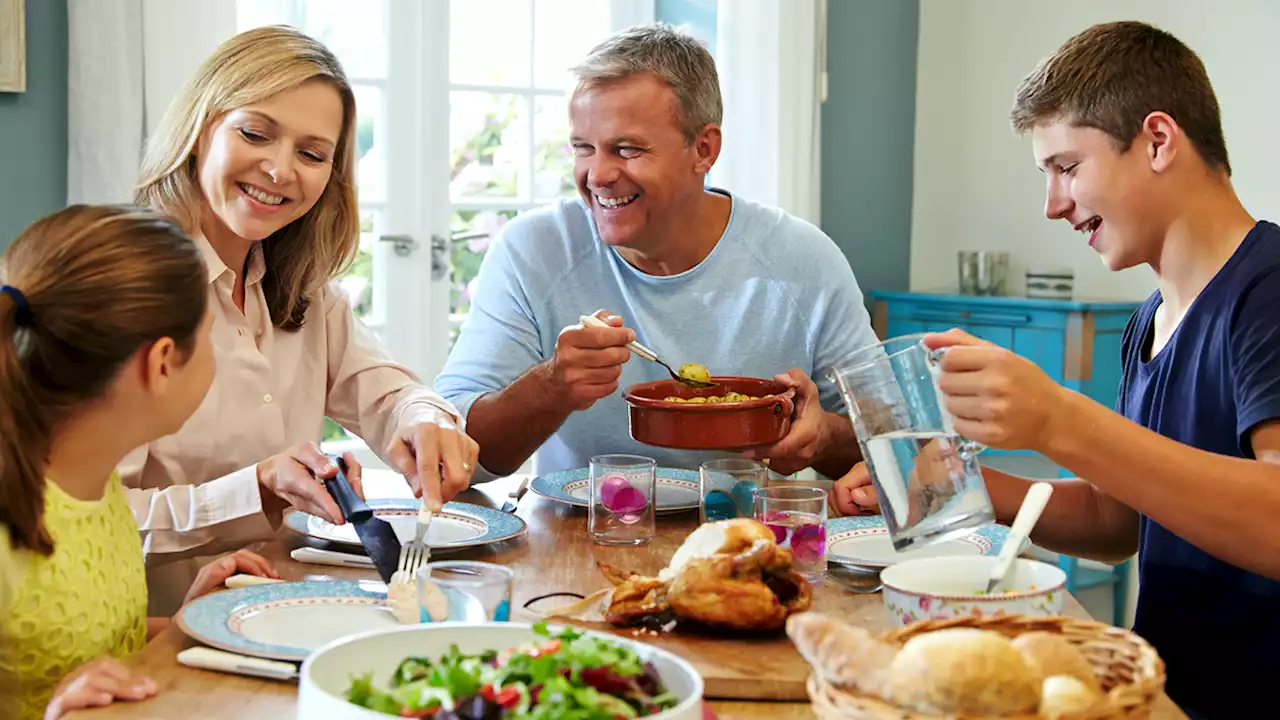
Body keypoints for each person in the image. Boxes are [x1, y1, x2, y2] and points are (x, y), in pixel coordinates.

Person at [831, 21, 1280, 717]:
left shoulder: (1269, 291)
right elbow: (1118, 522)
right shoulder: (1150, 320)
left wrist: (1058, 419)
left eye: (1067, 167)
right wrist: (957, 482)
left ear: (1158, 140)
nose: (1053, 205)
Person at [128, 25, 478, 614]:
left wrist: (423, 418)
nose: (279, 169)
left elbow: (389, 392)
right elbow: (81, 524)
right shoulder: (127, 294)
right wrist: (256, 488)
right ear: (199, 128)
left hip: (285, 616)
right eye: (255, 133)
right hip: (154, 648)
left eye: (312, 154)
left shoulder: (305, 292)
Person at [436, 24, 878, 481]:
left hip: (749, 542)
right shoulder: (534, 249)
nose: (597, 175)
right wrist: (552, 387)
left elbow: (900, 444)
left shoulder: (803, 261)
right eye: (583, 148)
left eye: (627, 149)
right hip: (579, 541)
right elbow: (453, 451)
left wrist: (823, 436)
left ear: (703, 149)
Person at [0, 205, 279, 720]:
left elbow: (83, 651)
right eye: (210, 336)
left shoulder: (97, 485)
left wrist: (184, 624)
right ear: (162, 362)